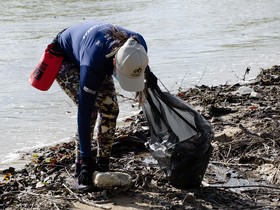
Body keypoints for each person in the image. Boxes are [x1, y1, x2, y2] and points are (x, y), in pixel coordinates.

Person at [53, 20, 149, 185]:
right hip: (65, 58)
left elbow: (140, 70)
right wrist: (86, 159)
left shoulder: (138, 45)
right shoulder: (92, 63)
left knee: (111, 109)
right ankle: (80, 166)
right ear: (115, 64)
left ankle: (103, 163)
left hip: (99, 51)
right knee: (91, 111)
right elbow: (84, 111)